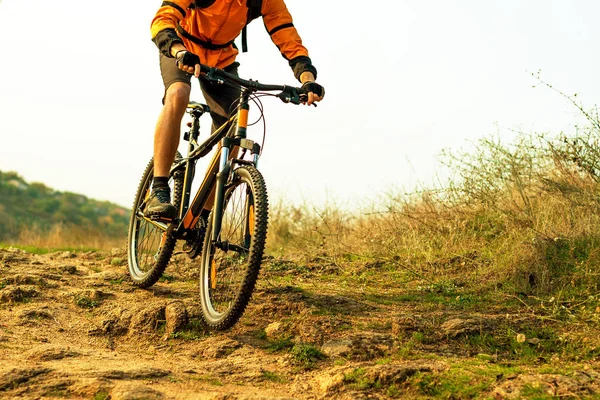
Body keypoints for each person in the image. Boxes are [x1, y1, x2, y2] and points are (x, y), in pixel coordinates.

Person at [145, 0, 325, 220]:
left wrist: (307, 79)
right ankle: (159, 189)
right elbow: (163, 19)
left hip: (221, 59)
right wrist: (178, 50)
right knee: (178, 93)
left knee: (234, 129)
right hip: (182, 48)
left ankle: (202, 217)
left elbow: (287, 36)